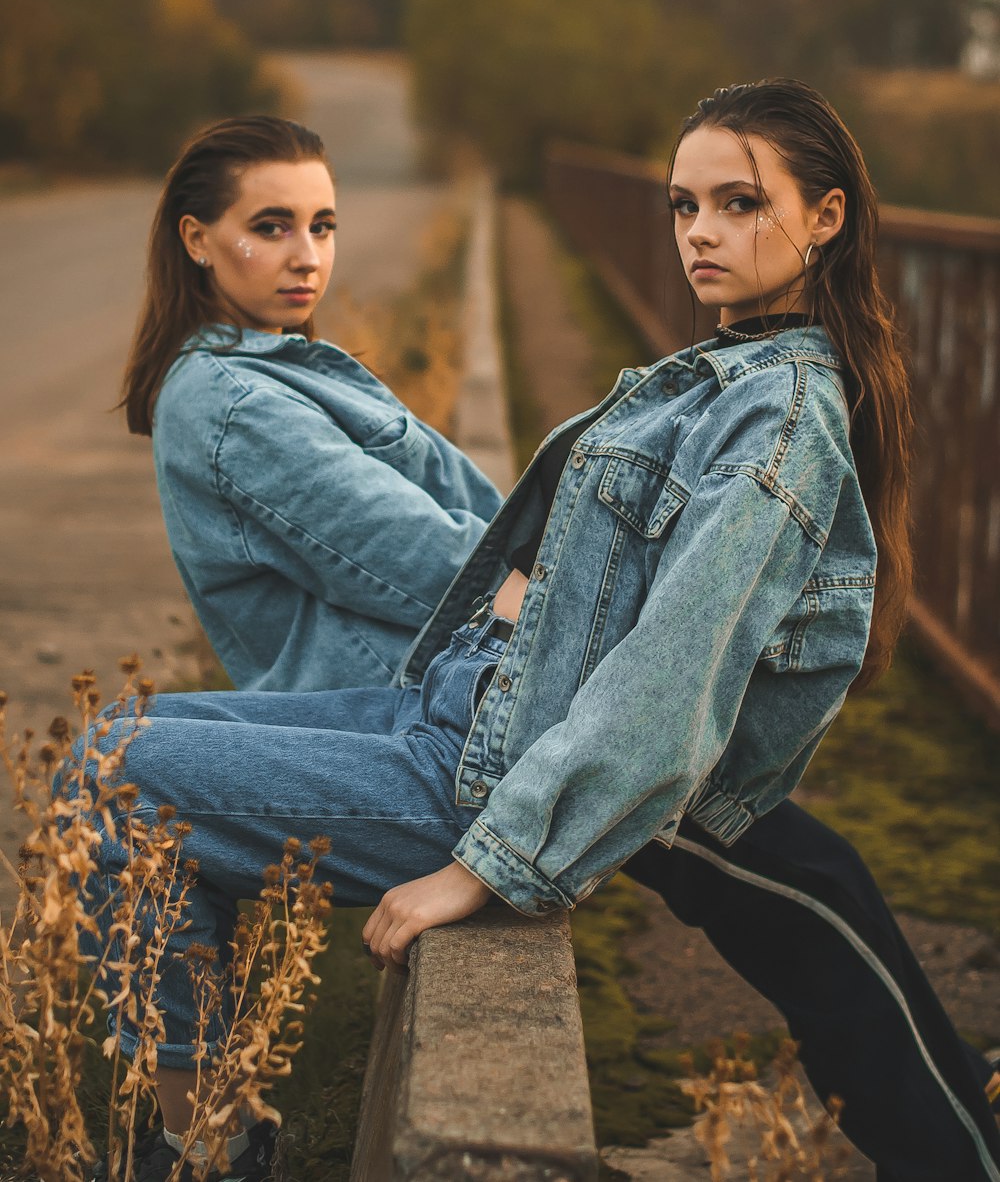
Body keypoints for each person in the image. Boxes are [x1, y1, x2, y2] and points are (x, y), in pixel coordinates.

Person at [81, 86, 999, 1182]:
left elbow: (673, 668)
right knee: (118, 752)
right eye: (683, 204)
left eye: (740, 203)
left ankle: (199, 1150)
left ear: (828, 217)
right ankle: (206, 1132)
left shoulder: (777, 416)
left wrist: (490, 865)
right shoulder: (721, 371)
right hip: (462, 706)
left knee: (114, 774)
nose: (701, 232)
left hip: (483, 759)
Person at [120, 115, 502, 693]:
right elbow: (427, 561)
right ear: (198, 240)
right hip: (406, 711)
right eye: (272, 228)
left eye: (321, 227)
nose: (308, 257)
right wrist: (580, 600)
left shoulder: (273, 370)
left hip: (438, 685)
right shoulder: (234, 405)